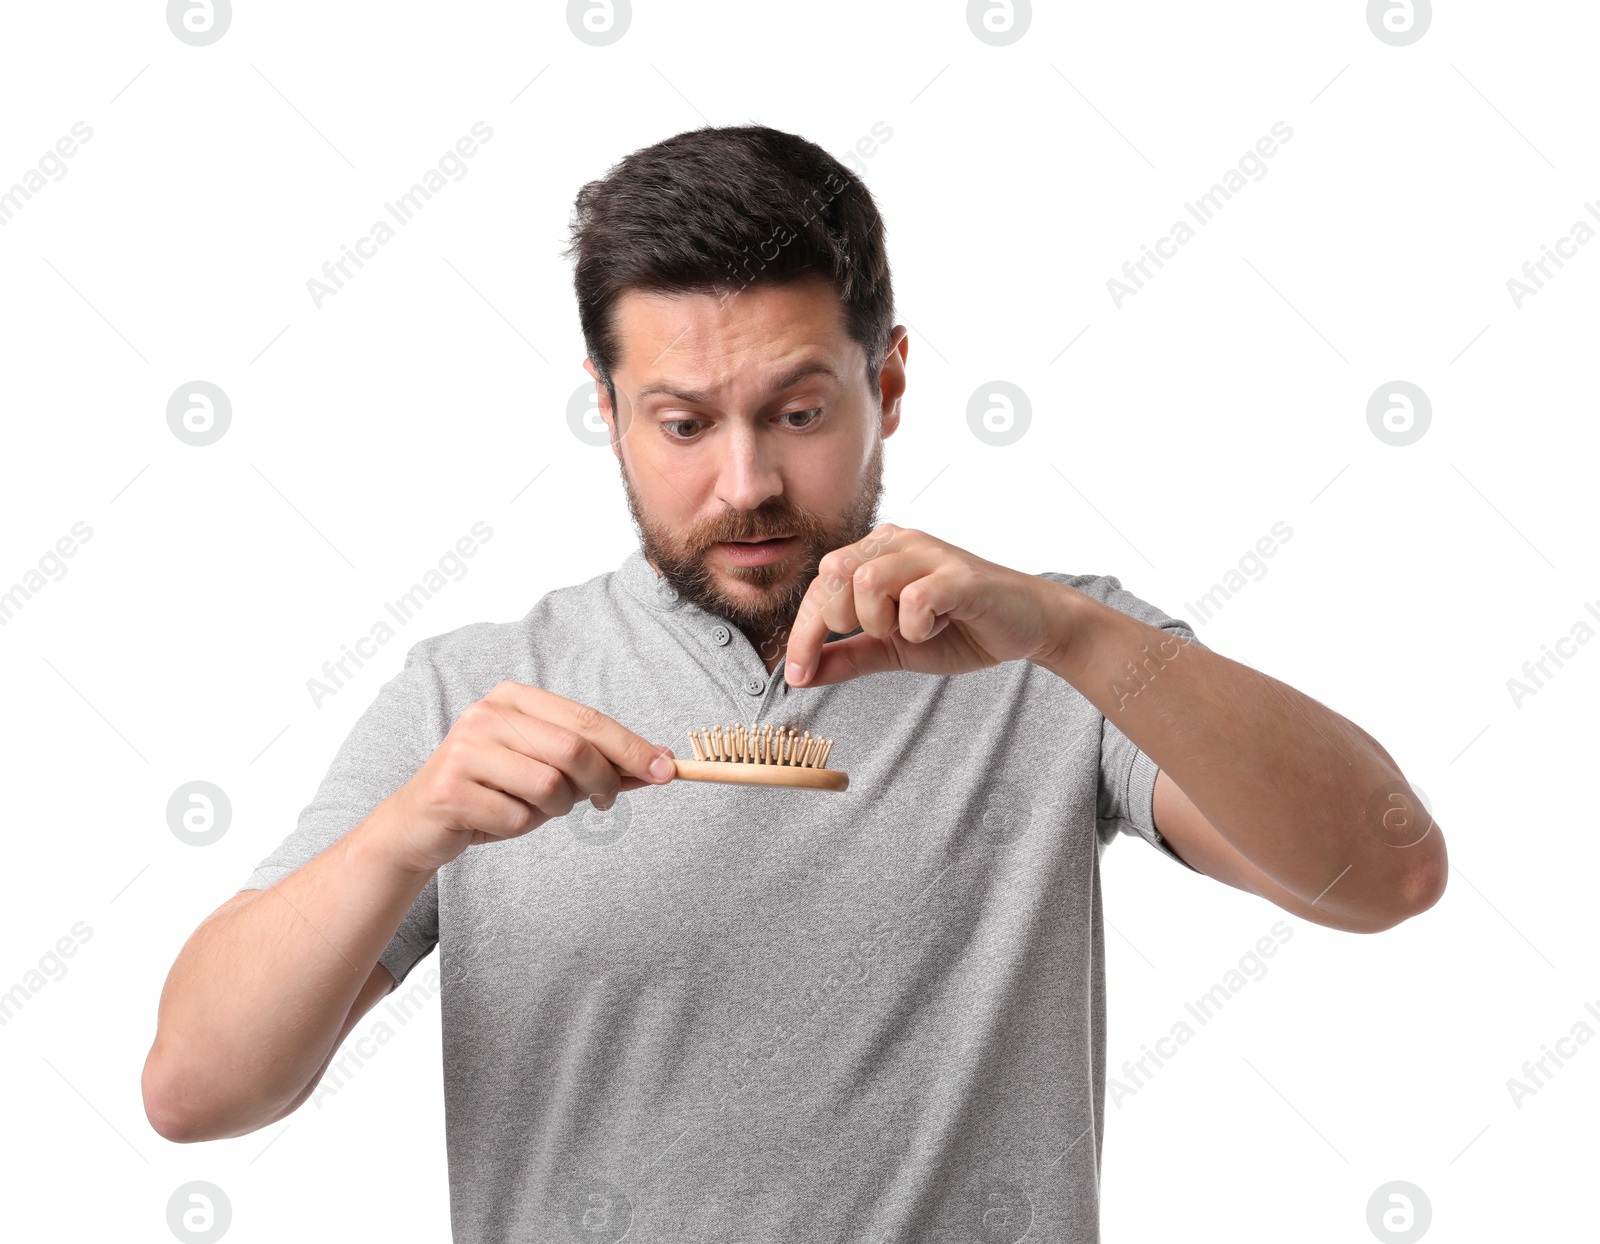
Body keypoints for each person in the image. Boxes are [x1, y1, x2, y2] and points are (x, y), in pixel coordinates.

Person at [141, 124, 1447, 1243]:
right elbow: (195, 1091)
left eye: (801, 412)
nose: (747, 482)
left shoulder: (1055, 663)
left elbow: (1389, 873)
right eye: (684, 422)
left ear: (888, 383)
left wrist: (1074, 638)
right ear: (608, 408)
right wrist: (399, 835)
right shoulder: (473, 696)